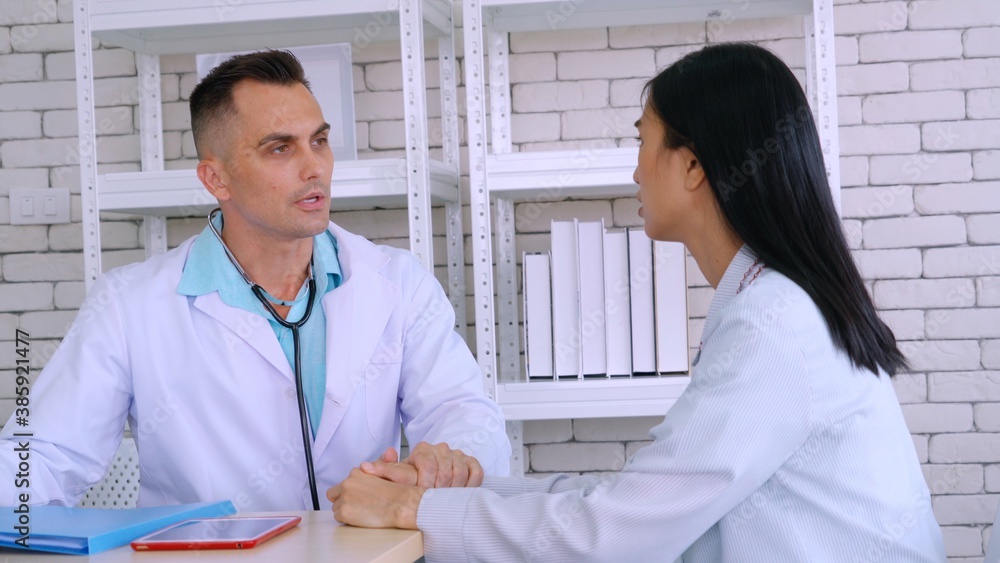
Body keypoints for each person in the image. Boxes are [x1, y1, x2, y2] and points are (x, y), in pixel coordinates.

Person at [327, 43, 946, 561]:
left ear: (696, 165)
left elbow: (618, 533)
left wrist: (415, 508)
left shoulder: (774, 321)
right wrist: (465, 496)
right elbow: (638, 497)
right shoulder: (769, 301)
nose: (634, 173)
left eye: (644, 142)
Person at [0, 50, 510, 512]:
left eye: (320, 141)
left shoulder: (400, 283)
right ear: (216, 178)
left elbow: (462, 412)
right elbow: (42, 456)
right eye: (280, 149)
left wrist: (447, 458)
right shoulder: (129, 305)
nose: (316, 168)